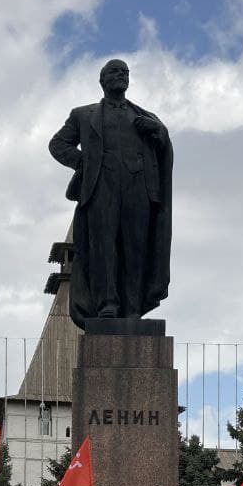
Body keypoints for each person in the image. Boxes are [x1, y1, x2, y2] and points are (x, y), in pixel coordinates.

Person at [48, 58, 173, 326]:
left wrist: (160, 132)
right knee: (103, 247)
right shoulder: (83, 115)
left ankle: (132, 306)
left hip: (138, 188)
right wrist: (84, 163)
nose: (121, 76)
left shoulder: (145, 117)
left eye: (125, 72)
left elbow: (164, 148)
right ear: (102, 80)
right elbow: (57, 144)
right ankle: (108, 303)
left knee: (135, 248)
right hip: (100, 187)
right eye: (115, 72)